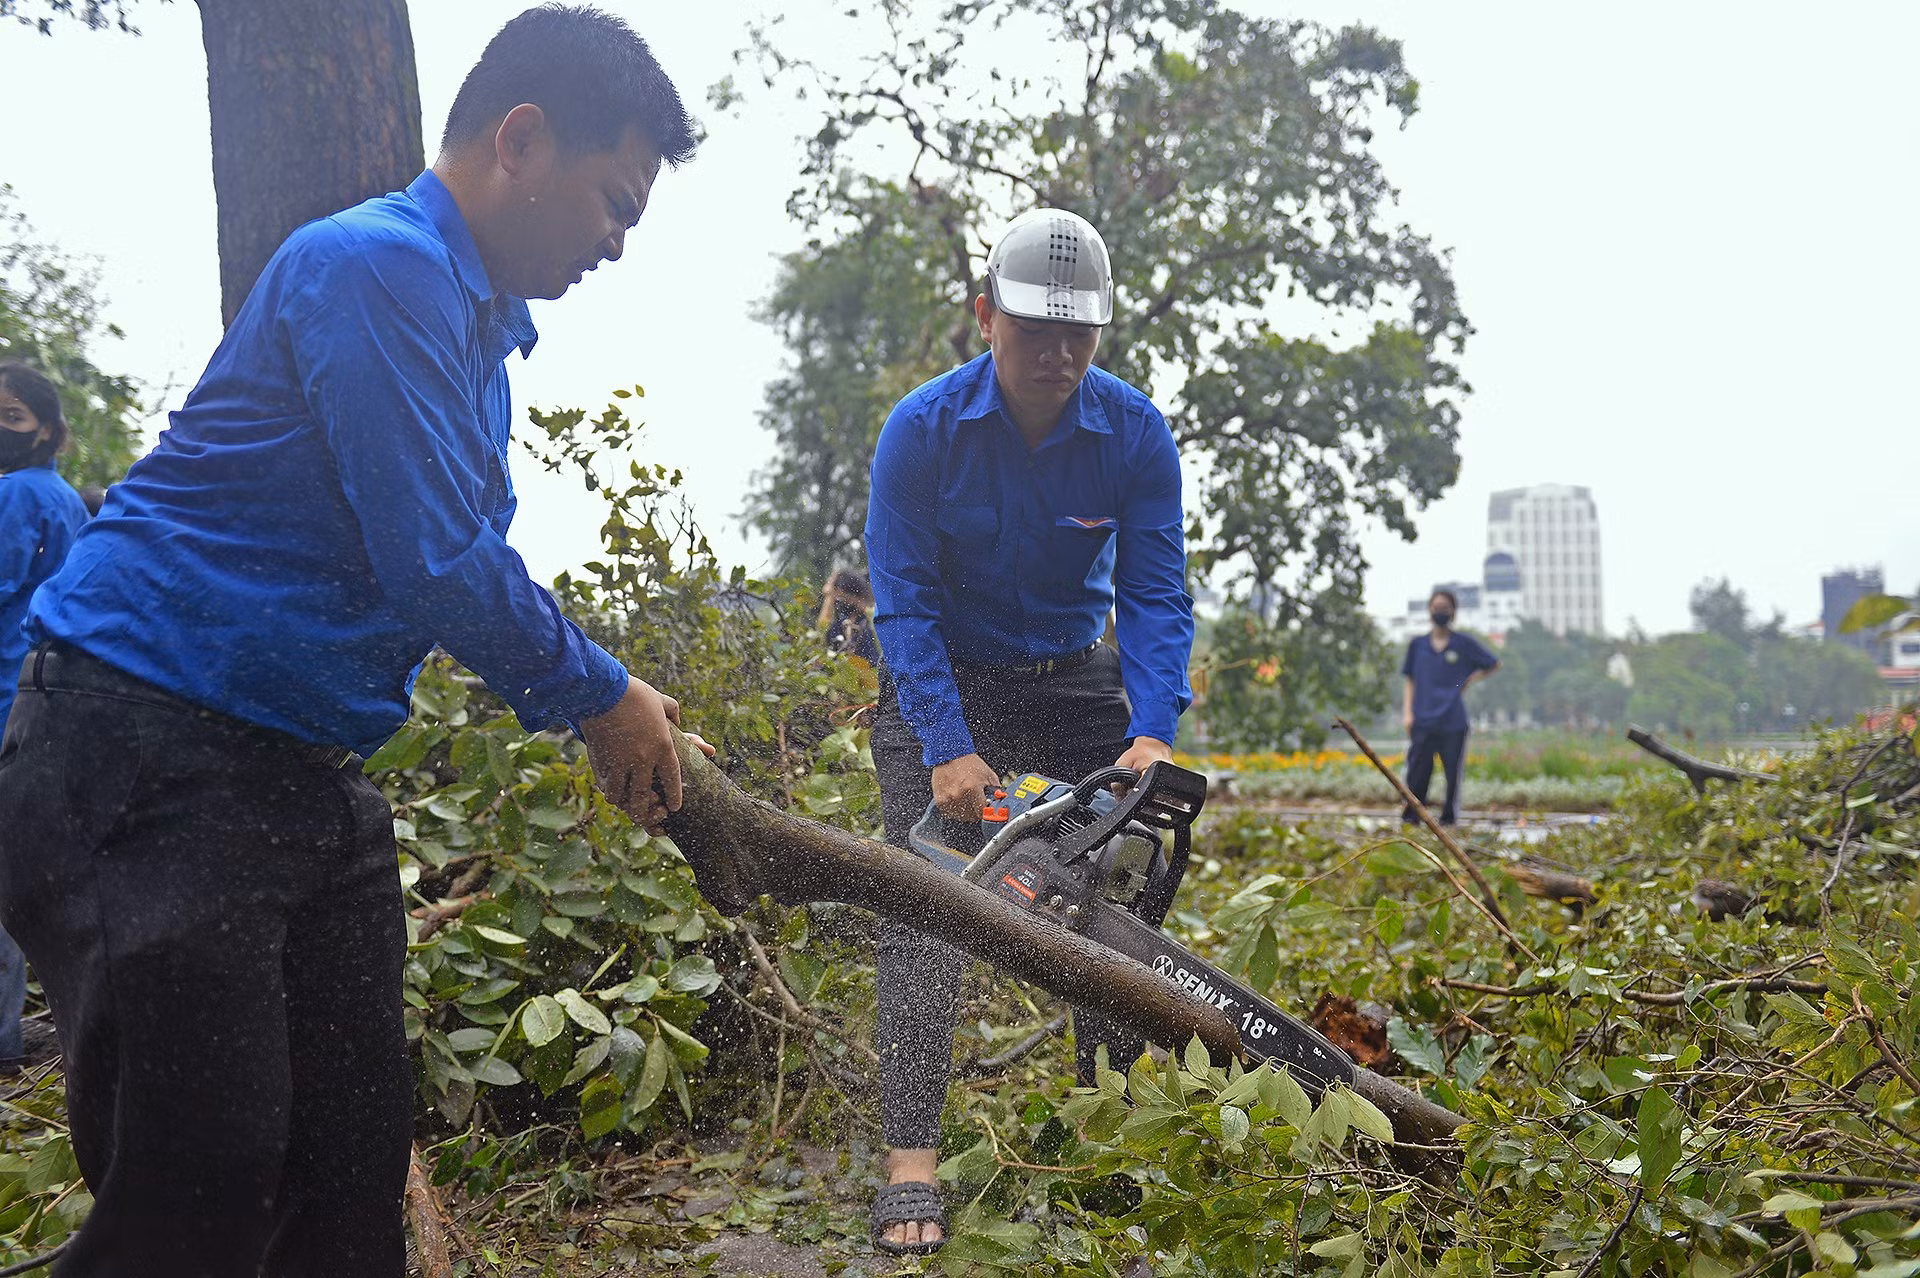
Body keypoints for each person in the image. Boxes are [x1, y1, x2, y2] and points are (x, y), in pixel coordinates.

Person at [0, 9, 706, 1273]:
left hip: (300, 776)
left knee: (346, 1172)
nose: (616, 243)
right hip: (142, 749)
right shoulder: (373, 266)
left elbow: (446, 557)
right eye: (615, 205)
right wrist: (606, 695)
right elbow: (435, 559)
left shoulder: (476, 333)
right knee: (199, 1191)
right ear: (522, 140)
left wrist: (624, 705)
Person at [863, 208, 1194, 1254]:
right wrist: (949, 748)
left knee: (1115, 897)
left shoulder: (1134, 434)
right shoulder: (921, 431)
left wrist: (1150, 731)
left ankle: (1109, 1139)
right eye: (1033, 329)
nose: (1056, 353)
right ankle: (911, 1157)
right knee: (924, 911)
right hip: (945, 680)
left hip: (1072, 681)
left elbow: (1151, 593)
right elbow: (903, 605)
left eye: (1078, 333)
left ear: (1100, 331)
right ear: (984, 318)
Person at [0, 363, 91, 1074]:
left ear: (48, 430)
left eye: (13, 416)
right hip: (44, 703)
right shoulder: (66, 499)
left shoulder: (18, 494)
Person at [1400, 588, 1500, 825]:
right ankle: (1412, 817)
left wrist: (1467, 680)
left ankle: (1449, 819)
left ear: (1453, 612)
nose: (1440, 612)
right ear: (1429, 610)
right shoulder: (1418, 645)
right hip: (1422, 719)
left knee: (1452, 774)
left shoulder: (1462, 644)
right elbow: (1410, 680)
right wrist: (1407, 714)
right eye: (1437, 607)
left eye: (1445, 608)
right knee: (1417, 772)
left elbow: (1493, 663)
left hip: (1452, 721)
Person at [818, 566, 881, 669]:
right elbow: (822, 630)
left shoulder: (866, 624)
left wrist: (830, 594)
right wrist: (830, 595)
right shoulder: (842, 621)